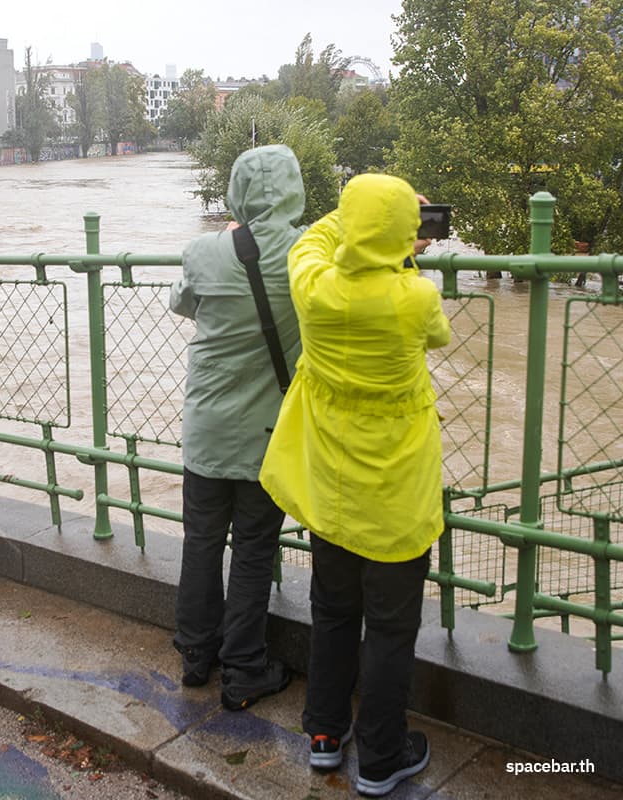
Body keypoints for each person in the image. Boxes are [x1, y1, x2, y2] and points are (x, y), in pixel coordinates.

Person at [259, 174, 451, 797]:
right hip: (394, 492)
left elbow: (310, 242)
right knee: (392, 629)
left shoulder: (315, 288)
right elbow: (436, 335)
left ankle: (322, 733)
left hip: (332, 486)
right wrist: (400, 248)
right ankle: (381, 758)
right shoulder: (415, 296)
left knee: (333, 610)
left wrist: (364, 227)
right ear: (407, 234)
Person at [168, 144, 304, 709]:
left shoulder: (203, 250)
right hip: (267, 435)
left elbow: (184, 303)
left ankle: (197, 654)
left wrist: (232, 238)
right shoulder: (308, 254)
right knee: (252, 548)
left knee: (200, 541)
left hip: (206, 427)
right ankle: (245, 668)